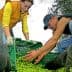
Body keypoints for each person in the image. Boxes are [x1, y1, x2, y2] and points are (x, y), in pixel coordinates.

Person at [24, 0, 72, 69]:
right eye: (48, 27)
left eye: (49, 25)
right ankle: (64, 64)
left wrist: (37, 52)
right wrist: (43, 53)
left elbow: (54, 39)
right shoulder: (55, 30)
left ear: (54, 18)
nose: (49, 27)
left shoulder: (62, 19)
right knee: (60, 45)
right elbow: (52, 44)